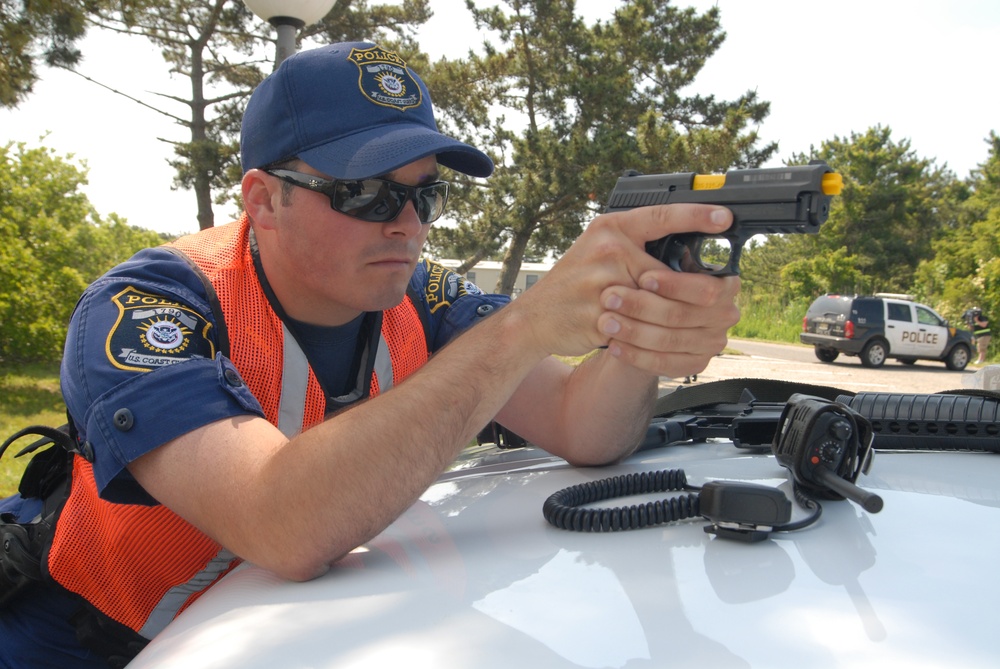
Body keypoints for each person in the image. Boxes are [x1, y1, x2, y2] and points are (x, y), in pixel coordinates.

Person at [0, 42, 739, 667]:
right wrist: (521, 330)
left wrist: (647, 335)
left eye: (426, 195)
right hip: (91, 637)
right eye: (364, 193)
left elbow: (586, 427)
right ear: (261, 200)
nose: (407, 225)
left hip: (285, 636)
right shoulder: (150, 306)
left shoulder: (425, 296)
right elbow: (280, 523)